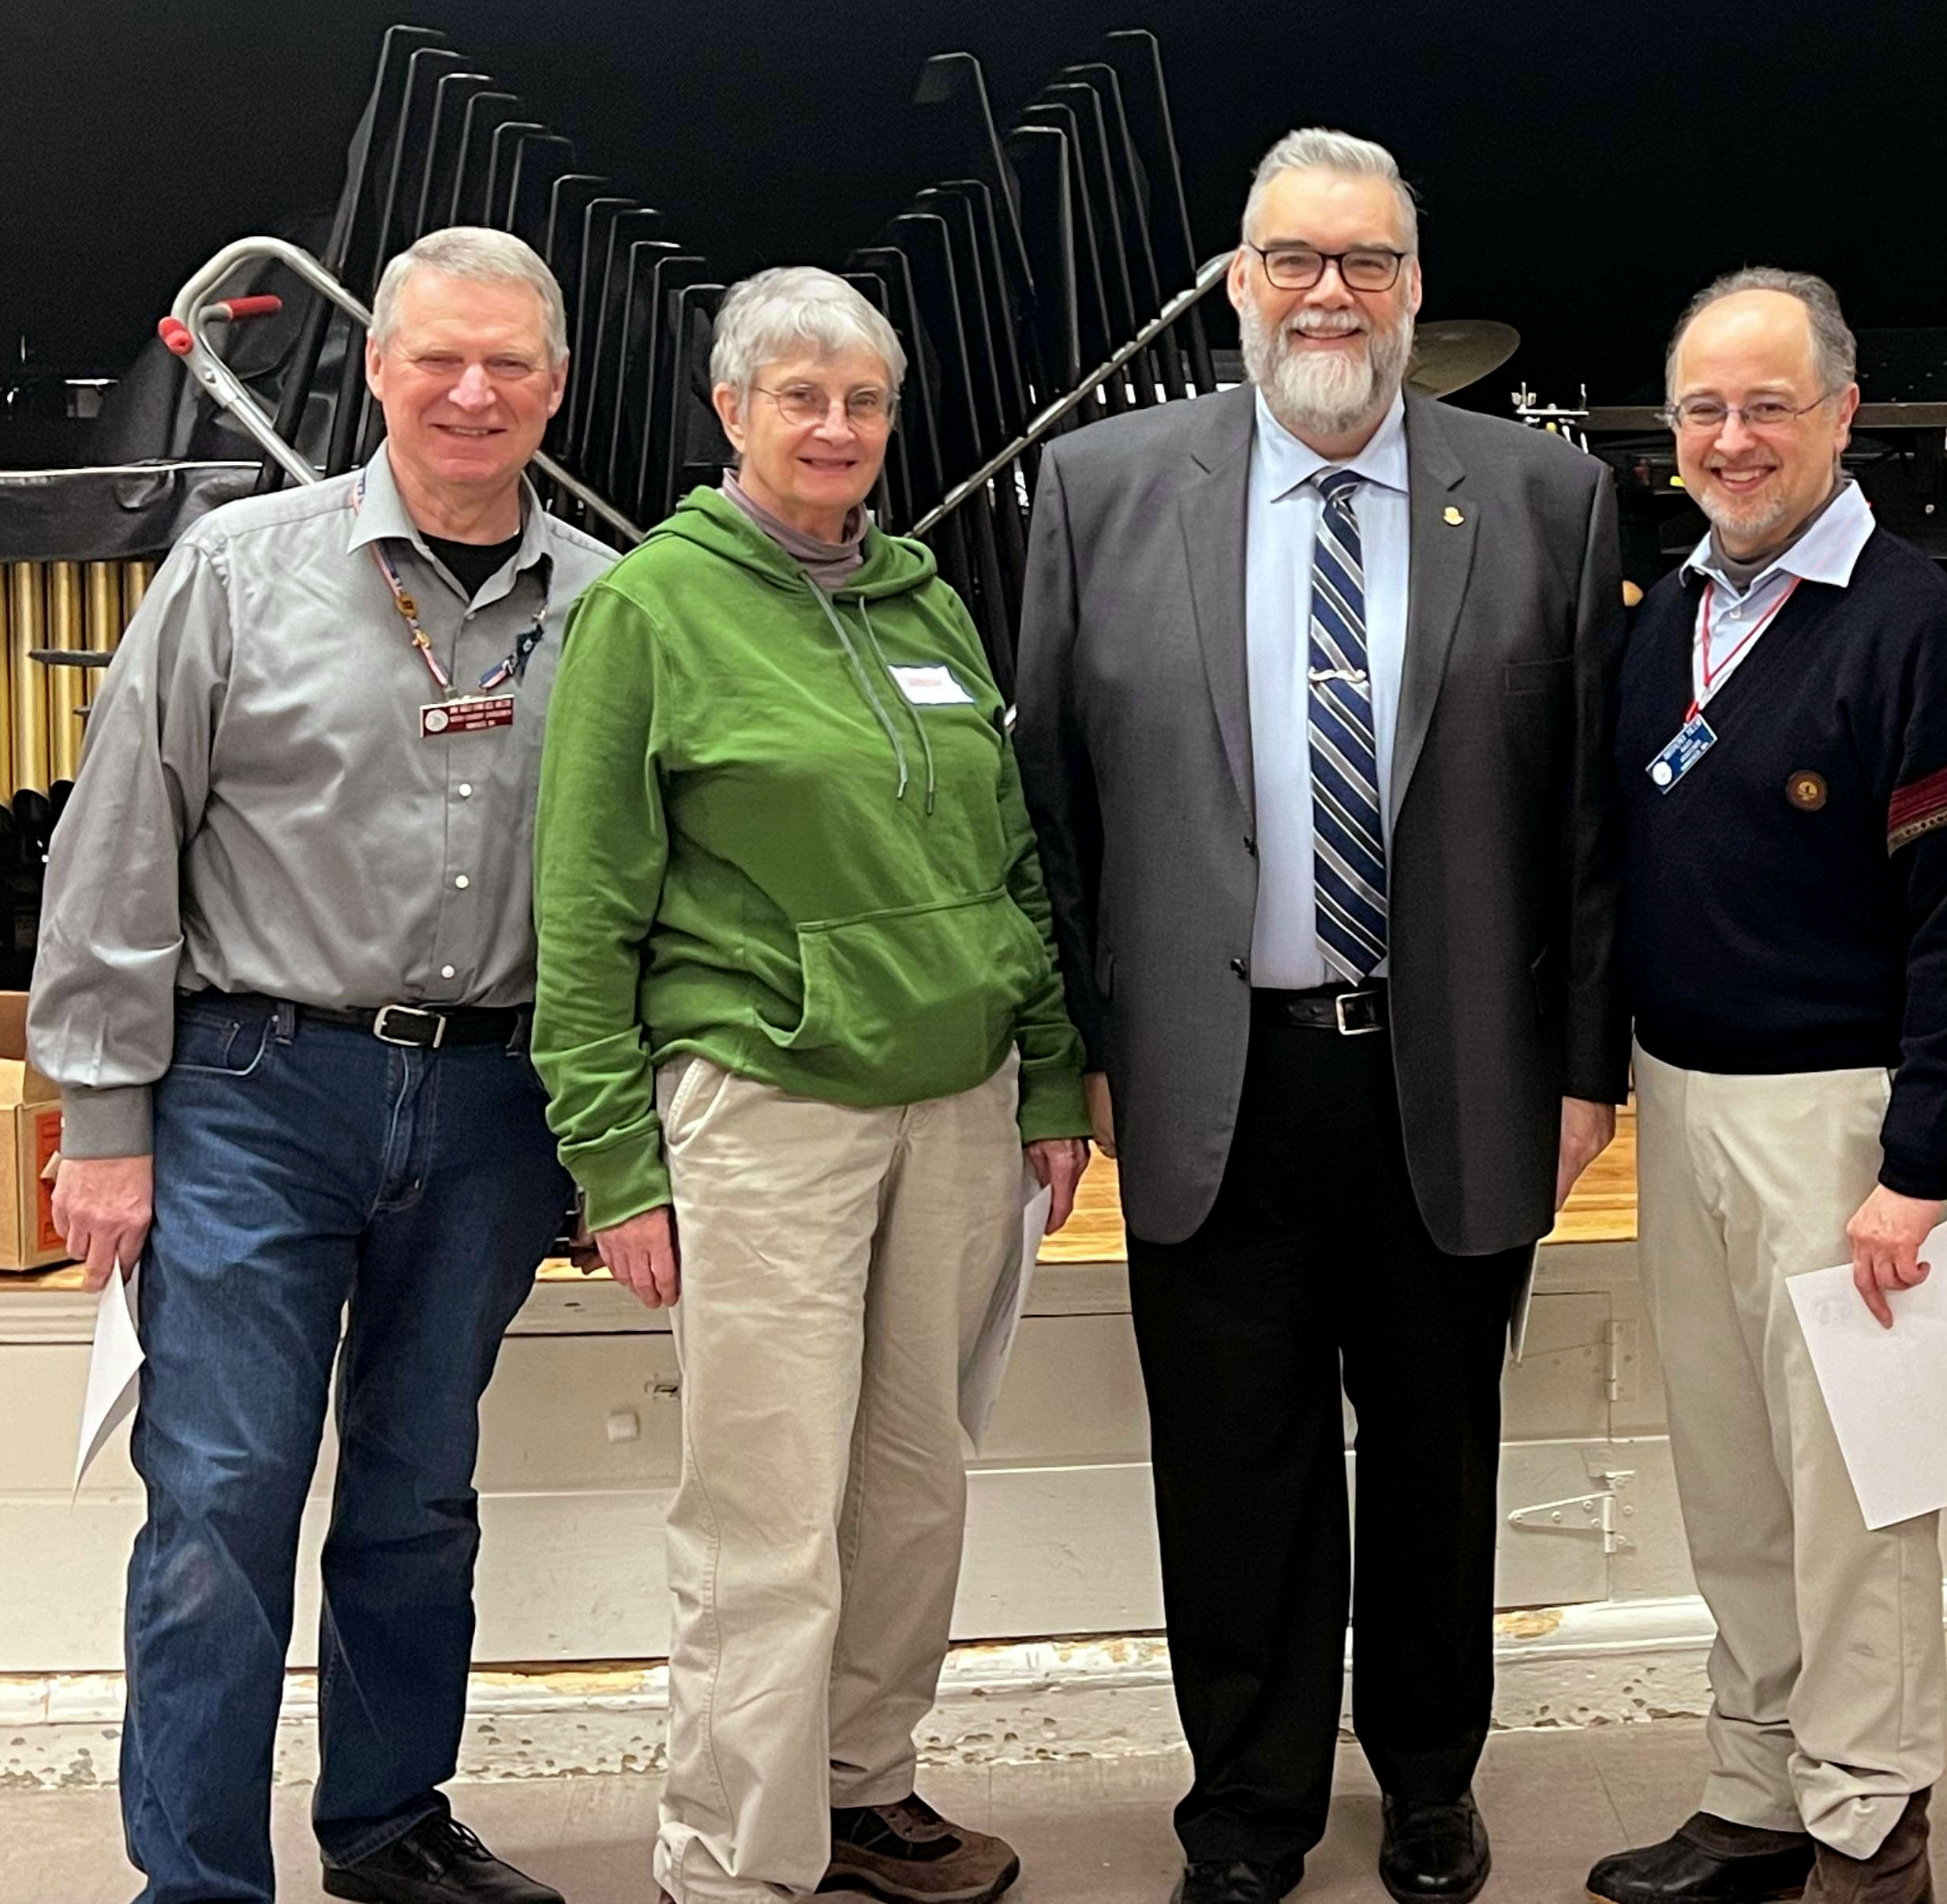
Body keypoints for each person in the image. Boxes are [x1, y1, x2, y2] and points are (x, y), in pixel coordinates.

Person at [1013, 127, 1627, 1904]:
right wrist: (1082, 1056)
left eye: (1367, 263)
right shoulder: (1105, 489)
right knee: (1234, 1464)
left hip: (1459, 1076)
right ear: (1237, 285)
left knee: (1439, 1456)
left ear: (1417, 290)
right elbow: (1047, 811)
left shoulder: (1542, 499)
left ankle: (1431, 1776)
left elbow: (1587, 821)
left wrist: (1585, 1069)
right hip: (1211, 1079)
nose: (1332, 294)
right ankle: (1249, 1805)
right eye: (1296, 260)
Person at [30, 227, 610, 1904]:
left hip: (498, 1106)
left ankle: (389, 1824)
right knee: (220, 1498)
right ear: (378, 370)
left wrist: (600, 1134)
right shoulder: (237, 569)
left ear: (554, 388)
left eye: (510, 362)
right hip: (253, 1092)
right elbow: (119, 846)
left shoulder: (612, 610)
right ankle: (199, 1877)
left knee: (422, 1492)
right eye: (439, 356)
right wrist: (106, 1119)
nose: (474, 390)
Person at [531, 264, 1091, 1904]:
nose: (836, 426)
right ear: (732, 413)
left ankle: (863, 1790)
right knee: (765, 1515)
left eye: (863, 401)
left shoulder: (924, 602)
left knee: (915, 1482)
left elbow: (1006, 866)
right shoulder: (651, 609)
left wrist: (1050, 1076)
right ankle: (734, 1859)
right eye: (801, 397)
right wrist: (616, 1165)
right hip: (766, 1112)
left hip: (962, 1105)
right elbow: (584, 912)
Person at [1583, 270, 1947, 1904]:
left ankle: (1870, 1820)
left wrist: (1917, 1163)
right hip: (1685, 1097)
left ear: (1844, 415)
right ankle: (1755, 1791)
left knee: (1858, 1502)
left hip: (1845, 1124)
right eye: (1704, 407)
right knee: (1734, 1483)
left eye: (1769, 403)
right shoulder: (1669, 615)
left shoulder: (1912, 624)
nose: (1732, 436)